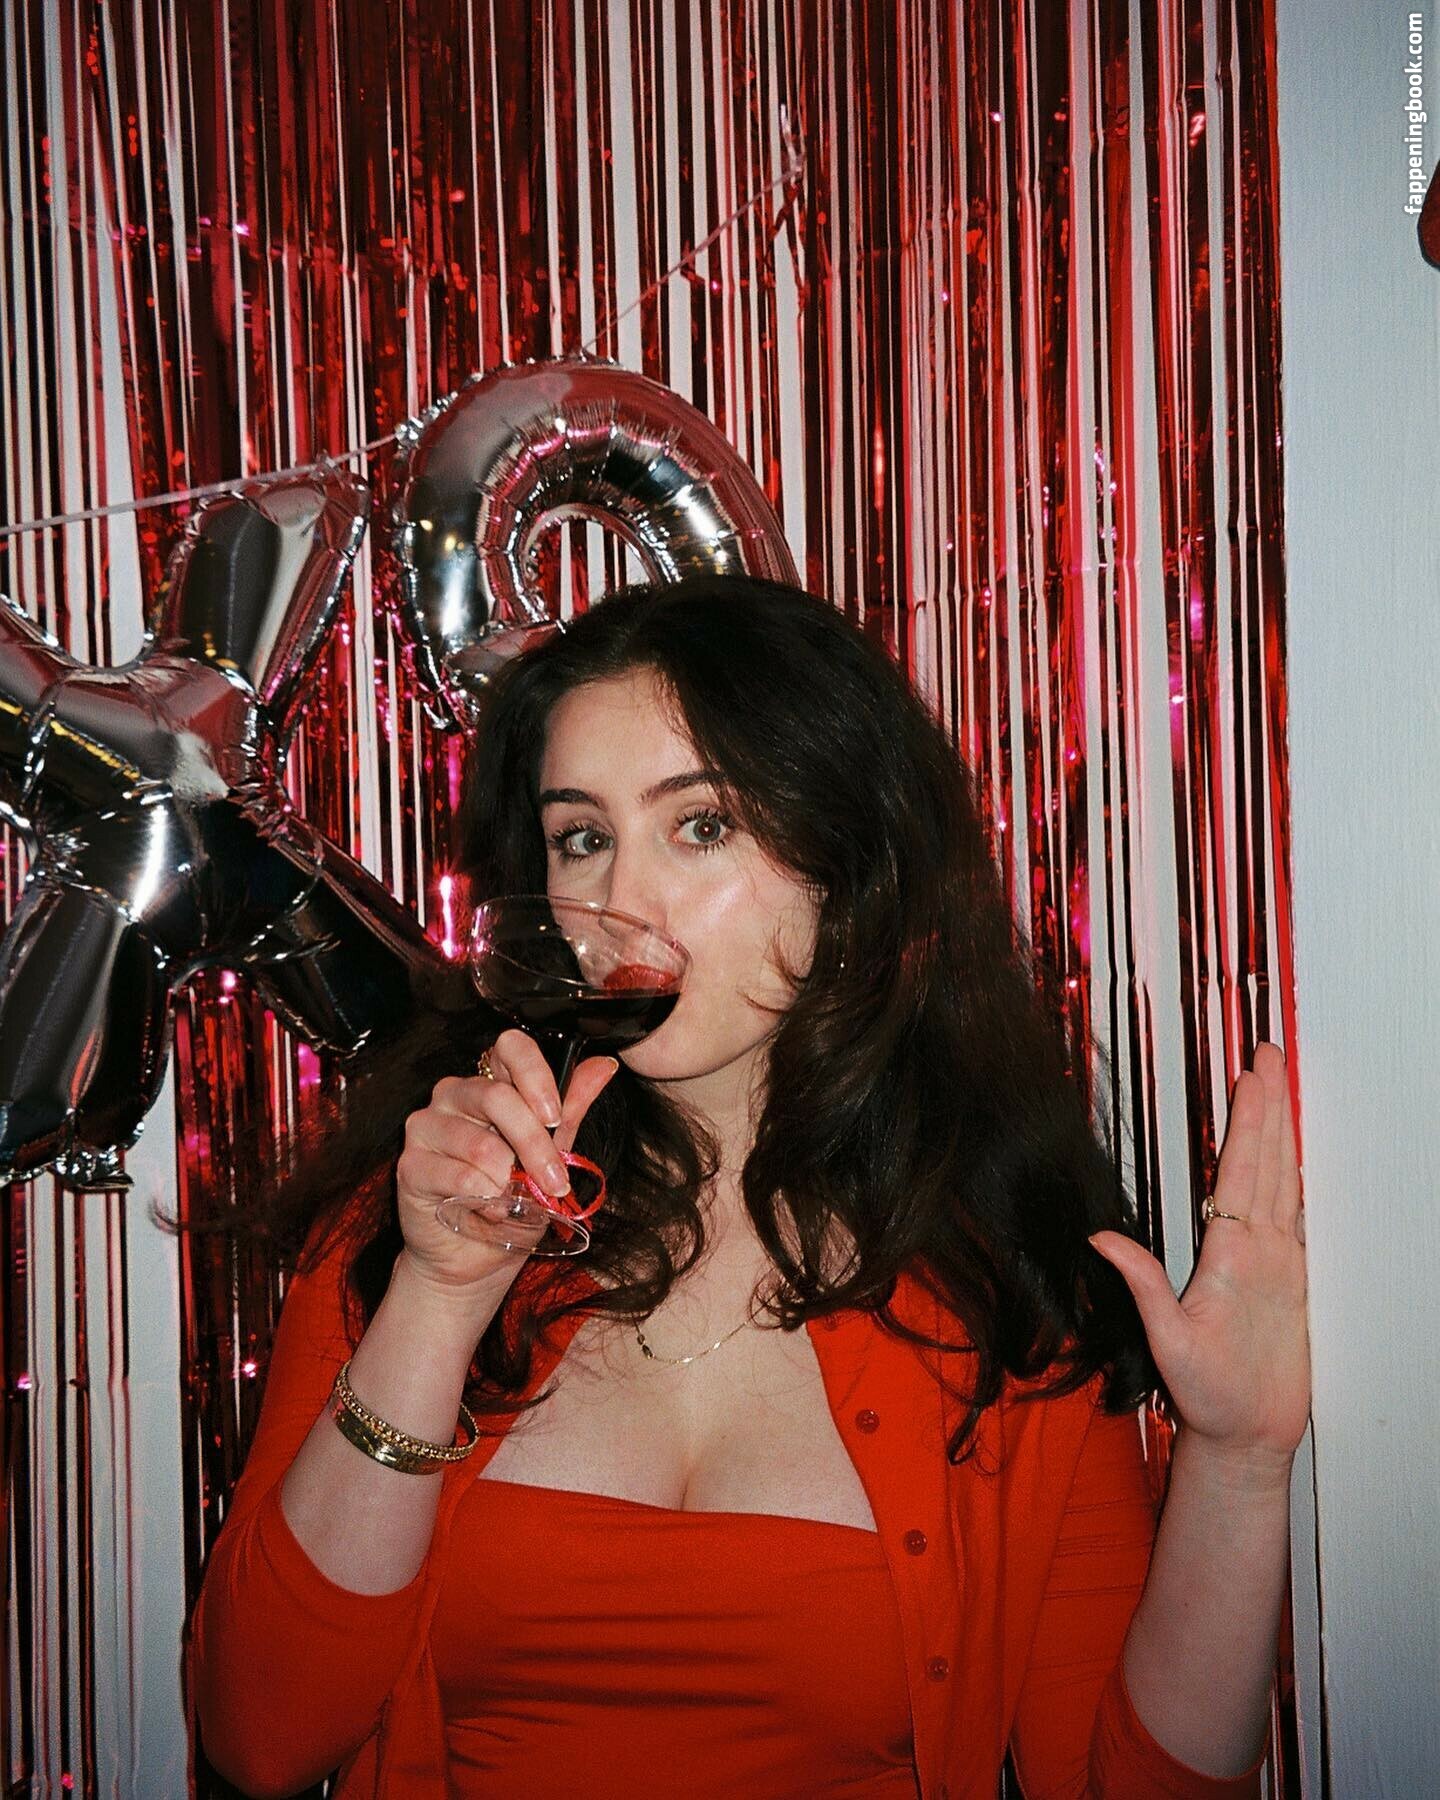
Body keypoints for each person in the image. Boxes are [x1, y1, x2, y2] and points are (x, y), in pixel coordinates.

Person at [188, 575, 1309, 1798]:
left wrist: (1238, 1462)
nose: (621, 902)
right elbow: (261, 1737)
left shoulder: (1006, 1290)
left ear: (842, 861)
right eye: (582, 838)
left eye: (701, 825)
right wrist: (441, 1298)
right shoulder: (419, 1219)